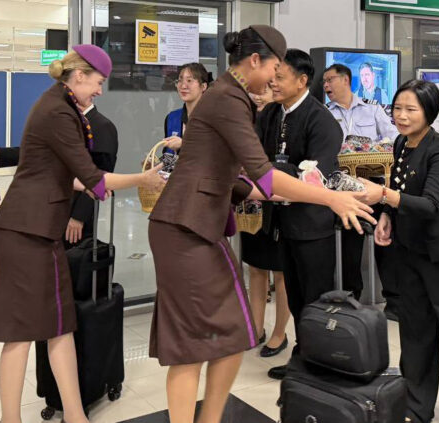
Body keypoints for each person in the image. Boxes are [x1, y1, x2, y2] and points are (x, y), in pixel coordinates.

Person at [147, 26, 375, 423]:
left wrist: (260, 189)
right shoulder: (229, 99)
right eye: (272, 67)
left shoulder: (233, 98)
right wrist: (331, 197)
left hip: (200, 226)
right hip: (184, 228)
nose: (273, 79)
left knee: (234, 333)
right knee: (194, 344)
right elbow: (265, 176)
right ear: (255, 61)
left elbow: (236, 179)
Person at [0, 46, 164, 423]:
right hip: (27, 231)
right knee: (23, 330)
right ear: (80, 75)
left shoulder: (57, 106)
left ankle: (75, 414)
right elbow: (92, 176)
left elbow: (56, 170)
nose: (99, 91)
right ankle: (10, 419)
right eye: (98, 83)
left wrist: (87, 186)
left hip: (35, 228)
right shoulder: (58, 112)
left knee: (59, 325)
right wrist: (143, 178)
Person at [360, 80, 439, 423]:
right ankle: (416, 408)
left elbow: (430, 203)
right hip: (409, 250)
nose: (401, 116)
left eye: (410, 109)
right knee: (415, 333)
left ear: (429, 112)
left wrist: (382, 197)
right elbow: (401, 190)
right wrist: (387, 216)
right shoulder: (402, 143)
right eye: (397, 108)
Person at [258, 49, 345, 379]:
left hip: (312, 225)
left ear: (302, 80)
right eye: (273, 75)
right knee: (294, 295)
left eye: (280, 77)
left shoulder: (321, 119)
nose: (273, 82)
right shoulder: (270, 115)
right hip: (279, 222)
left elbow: (315, 175)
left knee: (316, 299)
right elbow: (257, 159)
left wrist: (280, 169)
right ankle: (304, 356)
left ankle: (319, 363)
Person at [0, 103, 119, 246]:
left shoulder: (102, 127)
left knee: (73, 262)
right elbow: (40, 153)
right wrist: (0, 153)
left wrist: (78, 217)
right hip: (51, 208)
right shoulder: (64, 124)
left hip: (75, 211)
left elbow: (101, 177)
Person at [323, 62, 399, 315]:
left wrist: (373, 149)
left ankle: (393, 300)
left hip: (374, 186)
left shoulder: (372, 108)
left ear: (345, 80)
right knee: (350, 245)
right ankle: (352, 297)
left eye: (330, 80)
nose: (325, 86)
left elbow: (392, 138)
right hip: (343, 190)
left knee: (384, 240)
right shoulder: (324, 113)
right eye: (323, 81)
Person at [240, 78, 291, 358]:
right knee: (256, 268)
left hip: (278, 205)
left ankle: (279, 332)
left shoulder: (285, 121)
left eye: (265, 91)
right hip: (251, 205)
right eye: (255, 91)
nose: (259, 96)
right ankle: (256, 327)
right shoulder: (248, 118)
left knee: (281, 272)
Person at [164, 62, 212, 152]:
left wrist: (183, 144)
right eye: (180, 80)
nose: (183, 86)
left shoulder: (214, 118)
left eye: (189, 81)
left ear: (203, 86)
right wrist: (155, 165)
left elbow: (218, 152)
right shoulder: (172, 118)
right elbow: (168, 156)